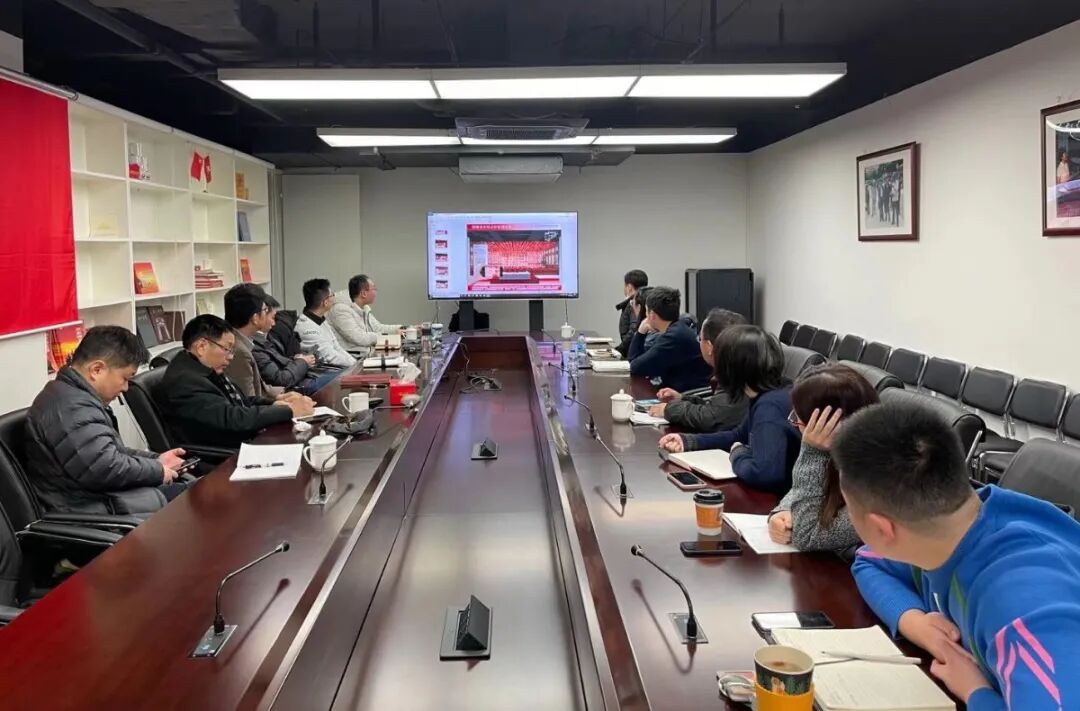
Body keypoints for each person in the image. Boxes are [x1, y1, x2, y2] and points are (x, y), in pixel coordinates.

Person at [835, 402, 1080, 711]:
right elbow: (869, 562)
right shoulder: (945, 527)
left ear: (881, 528)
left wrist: (976, 691)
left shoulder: (1026, 604)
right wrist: (917, 624)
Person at [25, 326, 189, 514]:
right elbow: (104, 468)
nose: (126, 388)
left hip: (107, 499)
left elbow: (110, 453)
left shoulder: (74, 396)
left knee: (197, 495)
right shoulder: (71, 408)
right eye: (125, 378)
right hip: (91, 511)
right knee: (198, 503)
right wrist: (157, 471)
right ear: (97, 369)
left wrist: (156, 460)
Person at [659, 325, 799, 494]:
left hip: (776, 501)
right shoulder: (768, 392)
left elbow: (764, 474)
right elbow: (738, 435)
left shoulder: (769, 407)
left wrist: (738, 454)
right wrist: (689, 441)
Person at [767, 364, 879, 552]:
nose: (796, 424)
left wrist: (811, 453)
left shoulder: (881, 482)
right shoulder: (839, 450)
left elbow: (807, 536)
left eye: (800, 419)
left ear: (829, 424)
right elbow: (803, 489)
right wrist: (782, 512)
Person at [157, 315, 314, 448]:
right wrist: (289, 410)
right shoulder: (185, 381)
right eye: (227, 349)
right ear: (201, 347)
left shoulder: (202, 367)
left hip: (241, 442)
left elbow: (240, 402)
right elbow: (233, 418)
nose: (231, 356)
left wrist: (275, 401)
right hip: (223, 457)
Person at [649, 308, 748, 432]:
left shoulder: (737, 375)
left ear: (710, 347)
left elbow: (712, 418)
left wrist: (670, 409)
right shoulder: (739, 365)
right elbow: (719, 408)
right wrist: (682, 398)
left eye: (700, 339)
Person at [627, 286, 711, 392]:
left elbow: (635, 367)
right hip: (680, 391)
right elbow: (638, 364)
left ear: (652, 315)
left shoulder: (673, 337)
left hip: (688, 395)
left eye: (647, 311)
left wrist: (640, 332)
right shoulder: (677, 329)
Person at [254, 294, 338, 396]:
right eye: (273, 317)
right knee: (338, 379)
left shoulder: (262, 339)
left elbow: (278, 362)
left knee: (340, 376)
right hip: (292, 388)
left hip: (298, 379)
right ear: (256, 317)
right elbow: (281, 379)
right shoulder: (255, 346)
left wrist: (297, 359)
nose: (274, 323)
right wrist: (302, 362)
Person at [326, 274, 403, 355]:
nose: (376, 292)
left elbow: (377, 328)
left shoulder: (364, 307)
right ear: (363, 294)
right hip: (353, 359)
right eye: (374, 289)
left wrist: (402, 328)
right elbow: (359, 337)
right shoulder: (340, 310)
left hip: (367, 354)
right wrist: (388, 337)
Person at [295, 278, 356, 369]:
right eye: (332, 295)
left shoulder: (320, 319)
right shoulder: (306, 327)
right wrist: (355, 365)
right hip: (319, 373)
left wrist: (355, 363)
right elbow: (330, 356)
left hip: (332, 368)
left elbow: (336, 346)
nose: (334, 297)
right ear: (325, 302)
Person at [615, 269, 648, 357]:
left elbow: (633, 331)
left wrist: (618, 350)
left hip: (632, 354)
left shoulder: (634, 303)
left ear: (629, 287)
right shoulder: (648, 301)